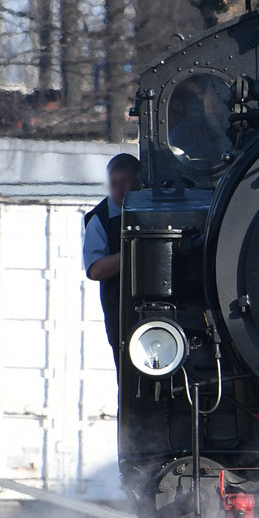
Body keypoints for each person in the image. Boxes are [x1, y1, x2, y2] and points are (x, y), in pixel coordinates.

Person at [83, 153, 143, 369]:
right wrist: (139, 252)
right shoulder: (99, 219)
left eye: (124, 183)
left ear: (138, 182)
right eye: (113, 184)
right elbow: (95, 270)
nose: (118, 190)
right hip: (122, 314)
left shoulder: (160, 207)